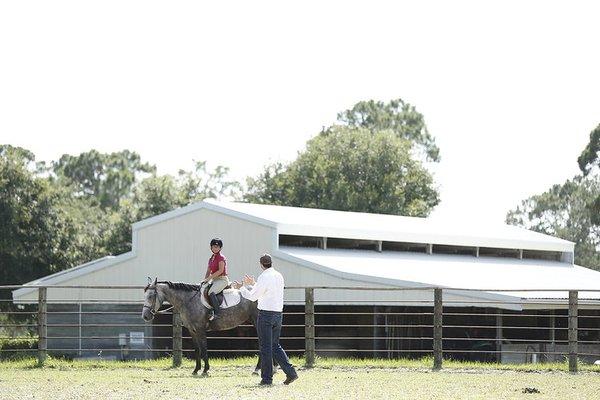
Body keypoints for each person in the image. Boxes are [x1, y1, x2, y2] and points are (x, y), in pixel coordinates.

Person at [232, 254, 298, 386]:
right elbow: (268, 290)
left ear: (261, 264)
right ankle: (291, 373)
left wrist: (242, 288)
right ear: (271, 263)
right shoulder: (278, 275)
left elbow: (252, 296)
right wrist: (254, 283)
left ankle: (267, 379)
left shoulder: (264, 277)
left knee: (266, 347)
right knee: (275, 346)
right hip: (278, 314)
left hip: (266, 314)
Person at [203, 238, 229, 321]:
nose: (215, 248)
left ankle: (218, 313)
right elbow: (208, 271)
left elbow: (220, 270)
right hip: (214, 280)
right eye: (214, 246)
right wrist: (204, 281)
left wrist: (209, 278)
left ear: (220, 248)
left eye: (217, 247)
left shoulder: (221, 257)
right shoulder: (211, 258)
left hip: (222, 279)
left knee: (211, 292)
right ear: (211, 247)